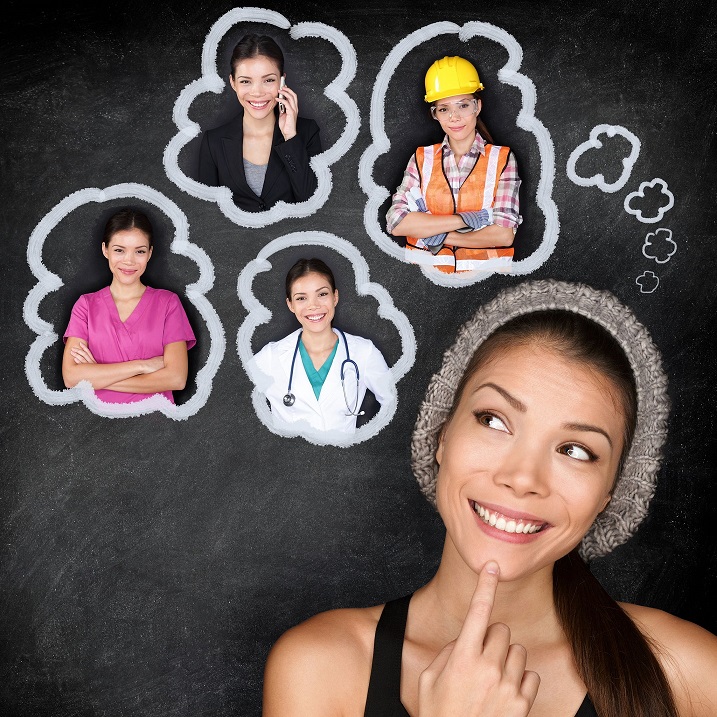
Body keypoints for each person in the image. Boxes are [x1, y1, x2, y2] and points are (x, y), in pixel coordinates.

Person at [263, 280, 717, 716]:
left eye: (575, 450)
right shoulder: (320, 668)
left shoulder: (689, 672)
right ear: (441, 435)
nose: (522, 478)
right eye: (494, 420)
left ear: (609, 496)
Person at [386, 55, 521, 274]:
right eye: (444, 109)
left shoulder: (502, 159)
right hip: (424, 283)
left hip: (484, 281)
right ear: (435, 115)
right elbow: (397, 222)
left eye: (463, 105)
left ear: (477, 106)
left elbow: (504, 234)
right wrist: (467, 220)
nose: (455, 117)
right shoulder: (422, 159)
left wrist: (438, 233)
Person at [62, 208, 196, 404]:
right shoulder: (86, 306)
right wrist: (142, 366)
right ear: (105, 250)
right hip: (93, 427)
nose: (129, 261)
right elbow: (71, 377)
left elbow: (176, 379)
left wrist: (97, 377)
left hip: (157, 427)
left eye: (139, 251)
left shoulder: (168, 303)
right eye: (119, 250)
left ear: (150, 253)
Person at [251, 258, 392, 434]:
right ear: (291, 305)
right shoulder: (270, 357)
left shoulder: (364, 352)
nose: (314, 306)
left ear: (335, 297)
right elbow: (232, 398)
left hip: (346, 458)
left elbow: (395, 406)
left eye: (322, 294)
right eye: (301, 298)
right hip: (286, 460)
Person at [198, 33, 321, 212]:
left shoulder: (307, 132)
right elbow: (204, 213)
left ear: (282, 81)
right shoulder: (214, 142)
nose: (257, 92)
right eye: (246, 81)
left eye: (269, 80)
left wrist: (290, 137)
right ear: (233, 83)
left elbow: (316, 205)